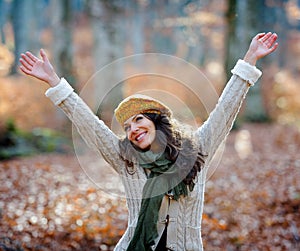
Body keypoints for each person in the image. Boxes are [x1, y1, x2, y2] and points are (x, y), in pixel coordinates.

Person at [19, 32, 278, 251]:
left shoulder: (196, 149)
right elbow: (90, 125)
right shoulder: (125, 159)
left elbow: (226, 109)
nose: (133, 129)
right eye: (127, 126)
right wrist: (55, 82)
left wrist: (249, 59)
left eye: (139, 119)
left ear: (155, 120)